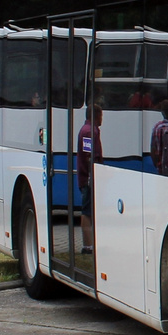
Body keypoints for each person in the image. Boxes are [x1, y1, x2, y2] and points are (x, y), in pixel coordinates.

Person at [77, 105, 102, 254]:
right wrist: (94, 174)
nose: (102, 119)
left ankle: (90, 243)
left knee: (89, 210)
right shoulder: (89, 132)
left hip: (88, 177)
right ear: (96, 115)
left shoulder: (90, 130)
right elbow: (88, 155)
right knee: (86, 211)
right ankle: (87, 246)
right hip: (88, 179)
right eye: (101, 115)